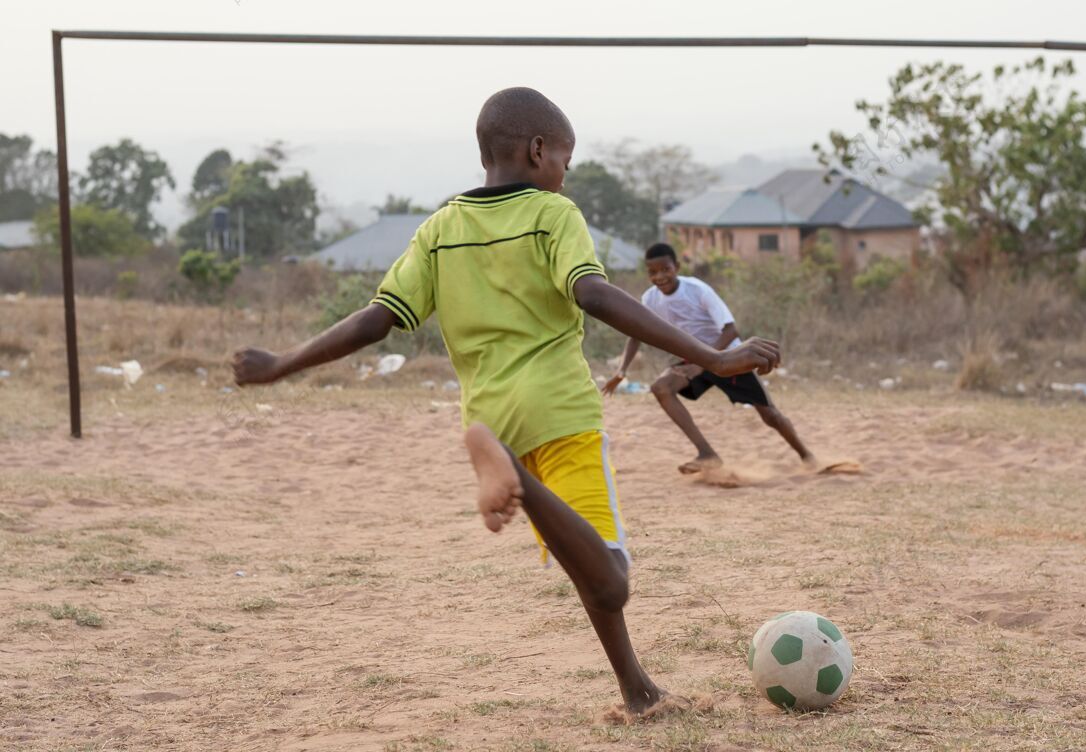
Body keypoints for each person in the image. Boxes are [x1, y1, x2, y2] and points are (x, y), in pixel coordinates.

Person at [231, 87, 780, 715]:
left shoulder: (440, 228)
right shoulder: (552, 215)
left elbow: (378, 318)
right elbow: (595, 296)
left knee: (586, 567)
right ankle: (512, 473)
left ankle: (636, 690)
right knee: (611, 578)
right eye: (565, 165)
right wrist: (712, 357)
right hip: (559, 413)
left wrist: (282, 365)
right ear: (538, 150)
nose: (565, 179)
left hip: (492, 418)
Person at [603, 243, 815, 475]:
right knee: (661, 388)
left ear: (677, 267)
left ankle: (807, 456)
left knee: (770, 415)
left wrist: (704, 362)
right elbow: (636, 333)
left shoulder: (698, 290)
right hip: (694, 358)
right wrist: (621, 371)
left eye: (665, 269)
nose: (660, 276)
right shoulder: (650, 298)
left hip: (729, 357)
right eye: (653, 272)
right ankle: (707, 454)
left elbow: (730, 330)